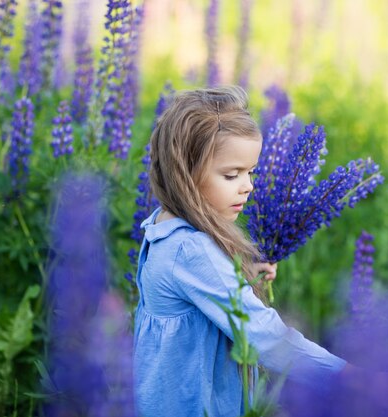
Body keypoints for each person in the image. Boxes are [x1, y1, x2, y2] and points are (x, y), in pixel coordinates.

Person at [132, 85, 347, 417]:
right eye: (231, 174)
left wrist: (240, 277)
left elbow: (196, 294)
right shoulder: (190, 250)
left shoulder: (161, 227)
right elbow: (264, 337)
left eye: (251, 172)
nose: (248, 185)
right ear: (185, 175)